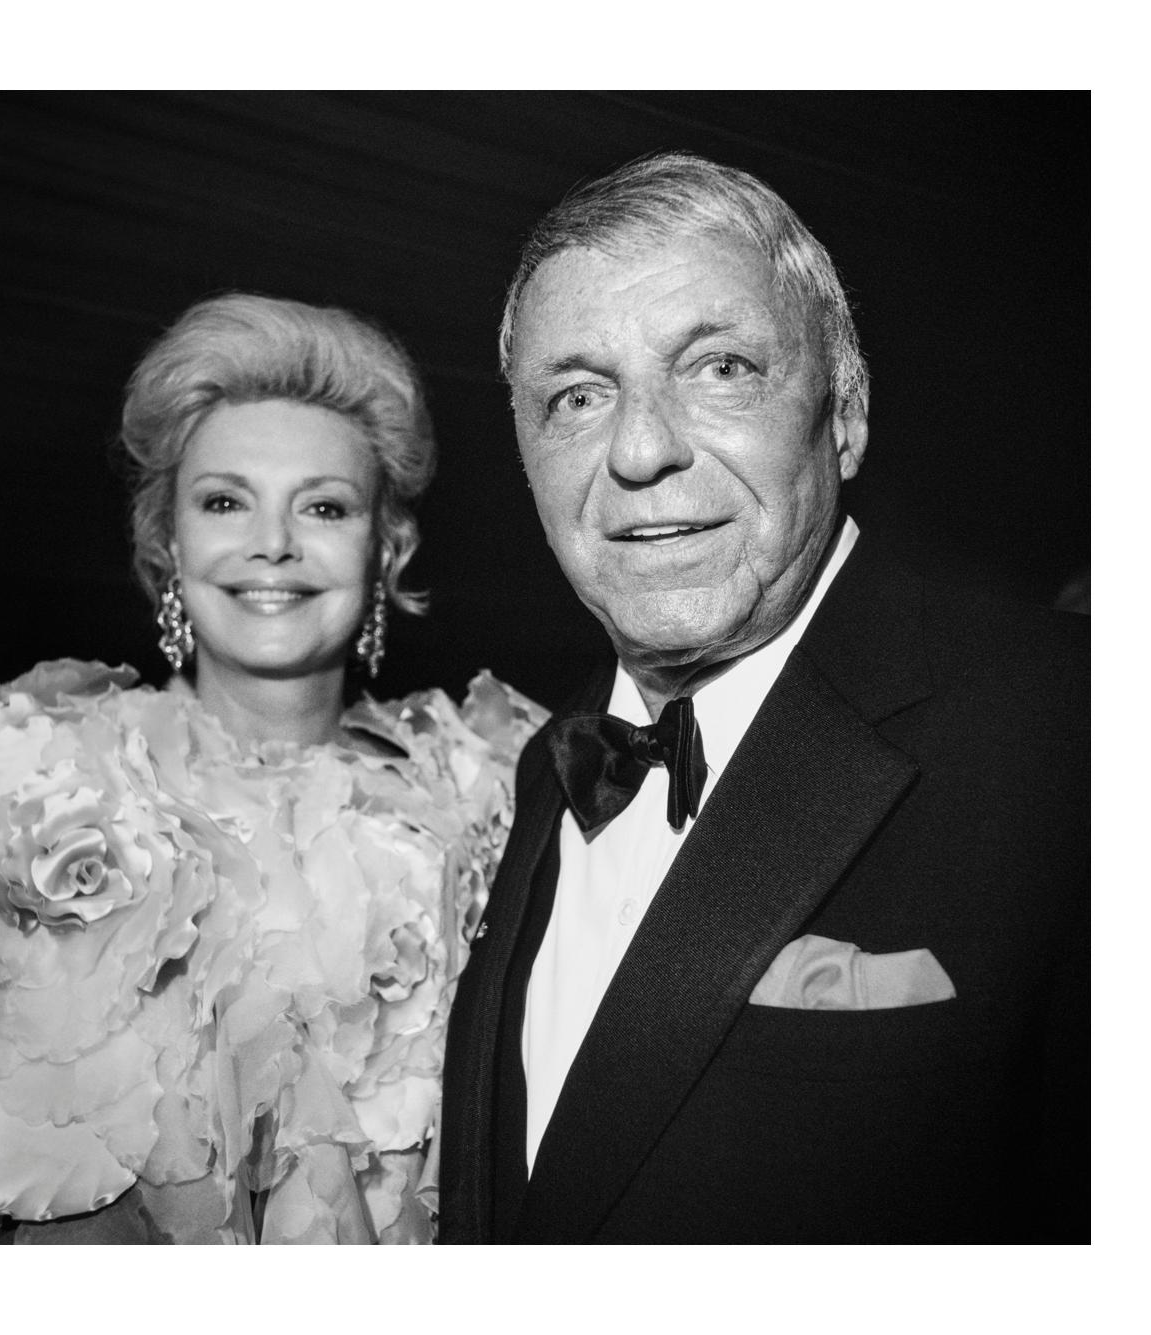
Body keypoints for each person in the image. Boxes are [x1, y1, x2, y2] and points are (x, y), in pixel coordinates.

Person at [438, 152, 1088, 1243]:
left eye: (721, 367)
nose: (640, 449)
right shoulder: (553, 759)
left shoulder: (1080, 731)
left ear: (844, 414)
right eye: (578, 395)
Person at [0, 293, 545, 1244]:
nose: (271, 543)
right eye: (225, 501)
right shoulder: (24, 785)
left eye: (323, 505)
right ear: (169, 540)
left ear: (385, 546)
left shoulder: (481, 789)